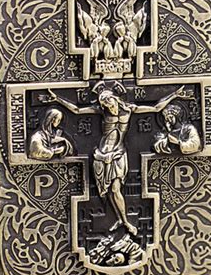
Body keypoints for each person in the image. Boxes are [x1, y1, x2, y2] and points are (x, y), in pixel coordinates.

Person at [41, 83, 190, 235]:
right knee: (109, 192)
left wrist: (174, 95)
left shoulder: (129, 109)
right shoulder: (102, 111)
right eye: (104, 103)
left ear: (115, 98)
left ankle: (125, 222)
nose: (107, 105)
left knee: (115, 189)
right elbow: (77, 110)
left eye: (108, 101)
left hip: (118, 153)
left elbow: (156, 108)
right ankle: (120, 219)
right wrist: (57, 99)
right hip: (102, 155)